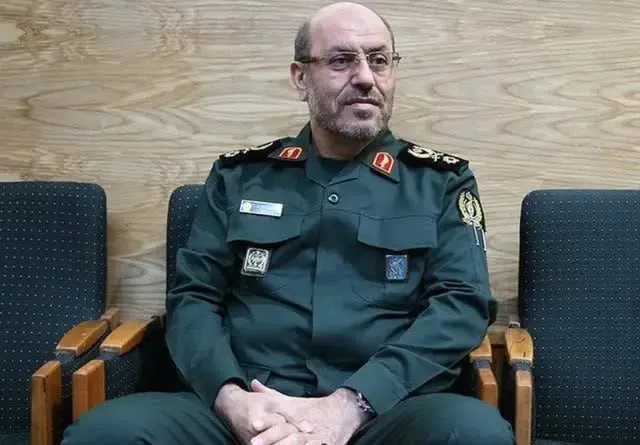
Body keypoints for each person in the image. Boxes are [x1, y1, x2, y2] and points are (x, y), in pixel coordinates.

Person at [62, 2, 514, 444]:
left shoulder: (440, 182)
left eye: (379, 60)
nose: (365, 77)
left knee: (474, 433)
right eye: (341, 61)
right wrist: (231, 399)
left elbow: (461, 306)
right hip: (245, 407)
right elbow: (194, 298)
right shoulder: (240, 177)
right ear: (301, 77)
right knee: (106, 433)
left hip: (382, 411)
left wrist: (351, 404)